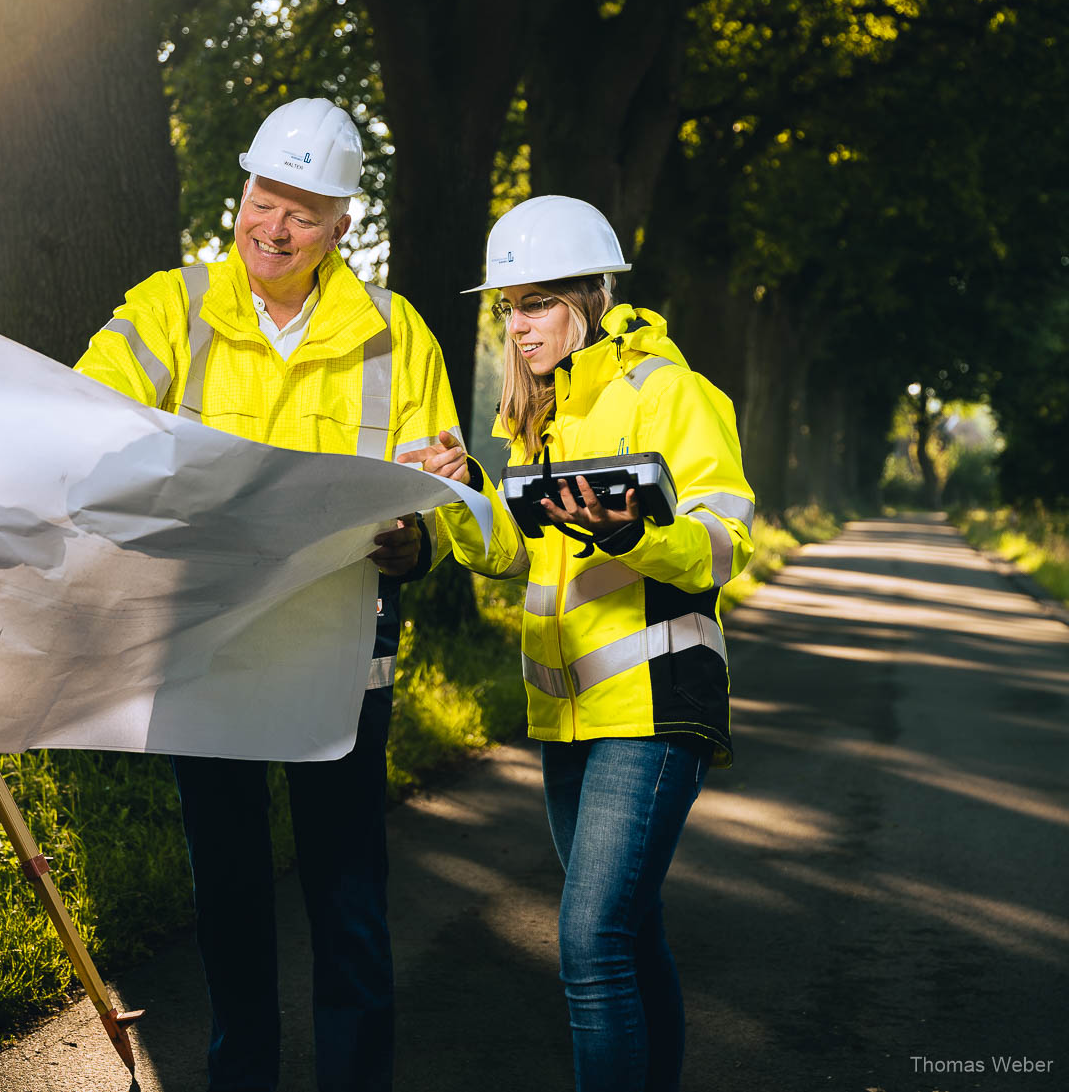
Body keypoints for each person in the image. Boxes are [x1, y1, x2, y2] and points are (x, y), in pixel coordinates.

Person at [73, 97, 462, 1092]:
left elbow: (451, 500)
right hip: (206, 649)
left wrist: (421, 532)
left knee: (349, 901)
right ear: (237, 194)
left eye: (301, 210)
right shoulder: (173, 304)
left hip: (342, 657)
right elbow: (88, 418)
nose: (273, 228)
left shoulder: (395, 331)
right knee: (232, 902)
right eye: (261, 199)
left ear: (341, 225)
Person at [410, 195, 754, 1091]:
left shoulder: (669, 391)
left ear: (589, 297)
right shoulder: (540, 413)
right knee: (631, 933)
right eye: (506, 307)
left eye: (534, 303)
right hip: (565, 714)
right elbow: (511, 555)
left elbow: (727, 542)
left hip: (655, 705)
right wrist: (465, 495)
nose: (516, 326)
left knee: (590, 940)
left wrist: (631, 532)